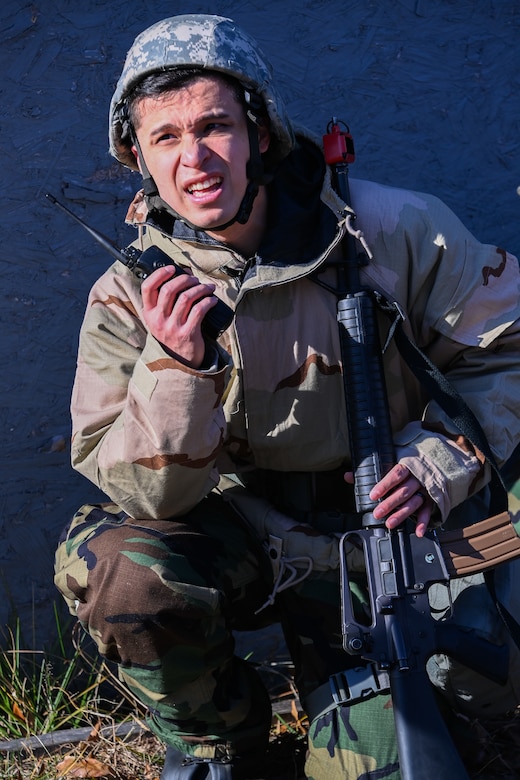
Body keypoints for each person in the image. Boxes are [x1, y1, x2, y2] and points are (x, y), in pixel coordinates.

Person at [54, 13, 520, 780]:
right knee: (114, 563)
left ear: (261, 133)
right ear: (138, 157)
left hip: (400, 534)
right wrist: (177, 366)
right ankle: (218, 742)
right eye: (164, 138)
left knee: (390, 758)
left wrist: (440, 461)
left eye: (215, 127)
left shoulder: (393, 231)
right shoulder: (129, 295)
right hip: (256, 540)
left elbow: (508, 356)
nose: (195, 159)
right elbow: (143, 494)